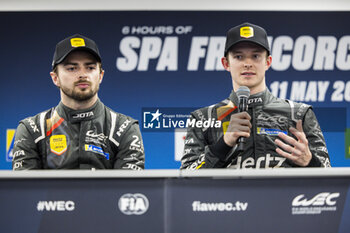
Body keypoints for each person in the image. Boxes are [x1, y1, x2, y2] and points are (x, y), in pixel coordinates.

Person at [181, 22, 330, 169]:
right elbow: (186, 179)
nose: (247, 63)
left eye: (256, 56)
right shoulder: (204, 118)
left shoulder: (299, 113)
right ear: (226, 63)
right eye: (239, 57)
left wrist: (310, 161)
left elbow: (329, 179)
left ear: (268, 62)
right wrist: (224, 143)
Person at [12, 34, 145, 170]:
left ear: (100, 76)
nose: (82, 74)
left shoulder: (124, 128)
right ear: (55, 78)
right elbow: (26, 189)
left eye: (90, 67)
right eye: (72, 68)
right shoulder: (33, 129)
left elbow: (127, 189)